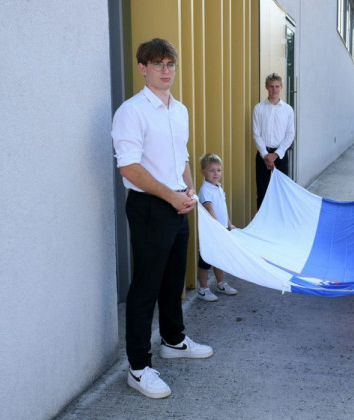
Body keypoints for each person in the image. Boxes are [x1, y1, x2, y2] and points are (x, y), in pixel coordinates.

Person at [112, 38, 213, 399]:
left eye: (170, 64)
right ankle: (138, 368)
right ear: (142, 68)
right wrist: (170, 196)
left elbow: (181, 158)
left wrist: (188, 192)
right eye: (158, 64)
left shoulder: (179, 110)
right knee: (146, 287)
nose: (166, 71)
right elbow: (129, 167)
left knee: (173, 279)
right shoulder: (131, 111)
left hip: (176, 203)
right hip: (150, 207)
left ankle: (173, 340)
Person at [196, 153, 238, 302]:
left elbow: (223, 208)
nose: (216, 174)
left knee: (220, 259)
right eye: (211, 170)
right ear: (203, 172)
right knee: (205, 261)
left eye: (218, 170)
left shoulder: (218, 188)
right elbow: (210, 209)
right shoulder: (205, 190)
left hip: (221, 230)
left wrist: (229, 224)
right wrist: (217, 228)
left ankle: (221, 283)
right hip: (211, 232)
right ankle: (203, 289)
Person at [252, 73, 295, 208]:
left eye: (277, 86)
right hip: (262, 156)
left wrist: (276, 154)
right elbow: (256, 134)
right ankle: (261, 225)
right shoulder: (259, 108)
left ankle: (281, 223)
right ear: (266, 87)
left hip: (280, 156)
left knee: (282, 191)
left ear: (281, 87)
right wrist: (266, 155)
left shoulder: (288, 110)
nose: (274, 90)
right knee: (262, 191)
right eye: (271, 86)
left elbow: (290, 134)